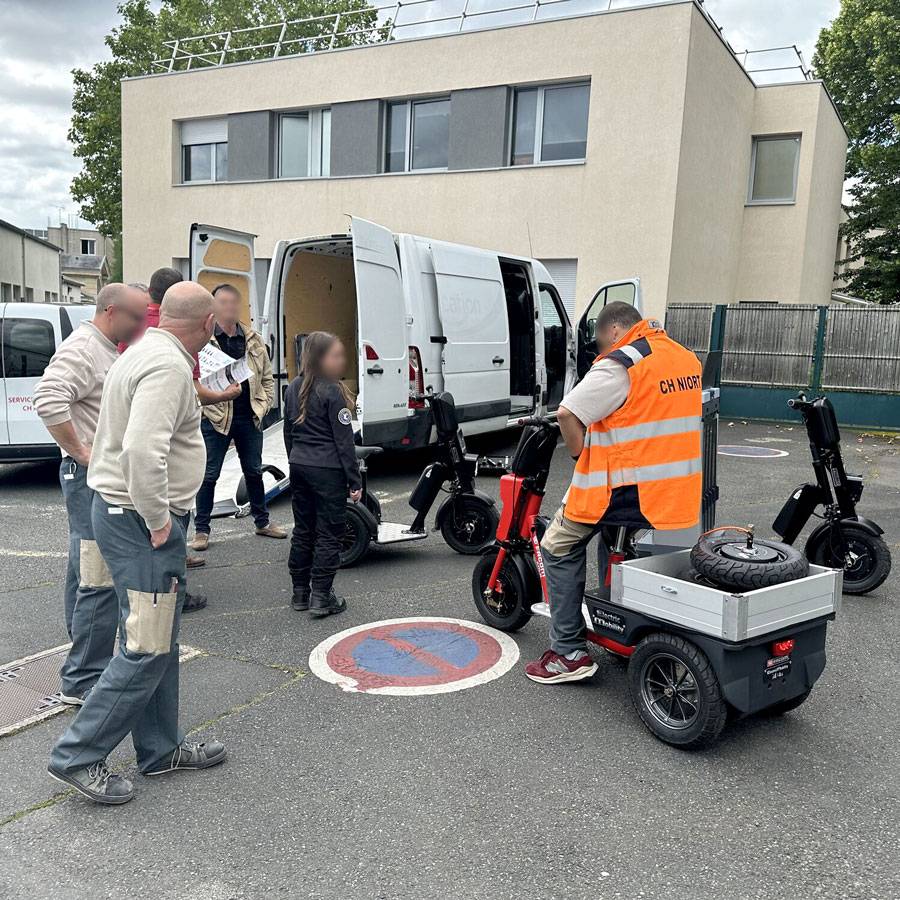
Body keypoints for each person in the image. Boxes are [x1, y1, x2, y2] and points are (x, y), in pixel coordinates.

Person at [48, 281, 227, 805]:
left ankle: (160, 749)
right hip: (139, 520)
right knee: (147, 643)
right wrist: (157, 520)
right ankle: (77, 756)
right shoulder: (169, 366)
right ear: (207, 325)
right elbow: (142, 451)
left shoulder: (142, 349)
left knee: (159, 637)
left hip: (120, 512)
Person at [525, 302, 703, 684]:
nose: (602, 350)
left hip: (623, 489)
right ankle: (619, 623)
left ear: (617, 330)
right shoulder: (684, 358)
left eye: (603, 341)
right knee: (614, 541)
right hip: (669, 491)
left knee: (557, 545)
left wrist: (579, 455)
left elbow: (568, 413)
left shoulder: (623, 362)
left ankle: (568, 652)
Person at [33, 283, 149, 706]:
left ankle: (82, 661)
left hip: (93, 475)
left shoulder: (105, 346)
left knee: (84, 571)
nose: (141, 326)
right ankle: (83, 679)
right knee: (96, 576)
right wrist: (81, 452)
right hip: (88, 477)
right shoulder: (84, 348)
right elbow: (48, 399)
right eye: (136, 317)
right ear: (111, 311)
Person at [190, 283, 286, 550]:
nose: (229, 307)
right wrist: (208, 406)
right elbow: (194, 380)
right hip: (216, 415)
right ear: (213, 306)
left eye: (234, 303)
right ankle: (202, 530)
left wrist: (264, 405)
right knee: (209, 475)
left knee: (254, 471)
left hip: (249, 417)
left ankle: (262, 521)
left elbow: (267, 377)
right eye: (223, 303)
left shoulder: (253, 338)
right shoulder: (203, 340)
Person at [283, 331, 361, 616]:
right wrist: (355, 480)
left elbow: (288, 431)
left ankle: (300, 593)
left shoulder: (293, 387)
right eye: (336, 355)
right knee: (329, 534)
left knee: (303, 531)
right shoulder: (333, 391)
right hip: (328, 470)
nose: (341, 361)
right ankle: (322, 597)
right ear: (321, 358)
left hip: (300, 465)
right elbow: (344, 442)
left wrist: (296, 458)